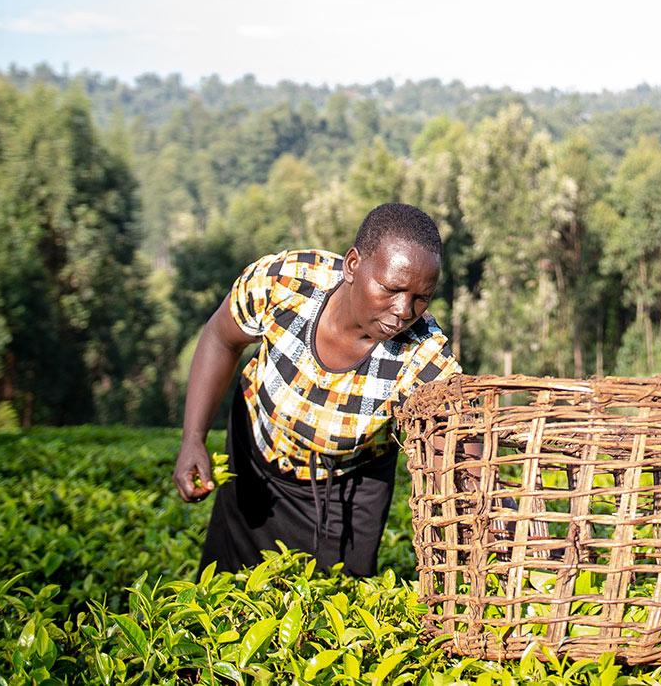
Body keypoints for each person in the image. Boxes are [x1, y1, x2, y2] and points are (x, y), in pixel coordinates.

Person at [171, 202, 460, 577]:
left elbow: (459, 445)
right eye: (392, 288)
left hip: (347, 486)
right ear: (353, 265)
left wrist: (493, 508)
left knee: (338, 613)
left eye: (422, 297)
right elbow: (220, 338)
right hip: (256, 455)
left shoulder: (424, 356)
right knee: (230, 588)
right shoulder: (286, 283)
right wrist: (193, 438)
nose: (404, 310)